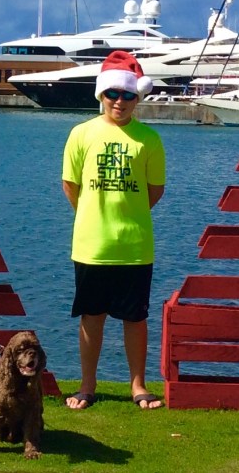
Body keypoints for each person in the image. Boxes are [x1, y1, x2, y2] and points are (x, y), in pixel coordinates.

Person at [61, 50, 166, 410]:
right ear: (101, 94)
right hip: (91, 245)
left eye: (128, 95)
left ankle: (138, 386)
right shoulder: (80, 133)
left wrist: (127, 212)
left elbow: (155, 191)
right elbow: (70, 185)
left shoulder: (149, 139)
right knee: (92, 317)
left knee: (135, 318)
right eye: (112, 94)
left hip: (135, 245)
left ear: (138, 98)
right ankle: (87, 385)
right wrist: (93, 214)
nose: (119, 102)